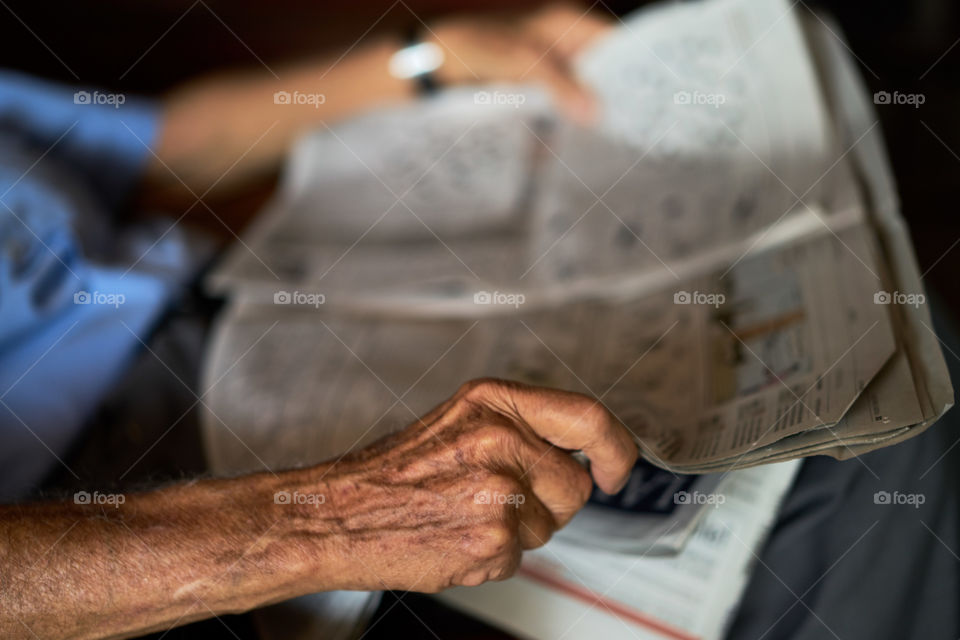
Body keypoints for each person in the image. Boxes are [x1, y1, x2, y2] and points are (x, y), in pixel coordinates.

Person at [0, 5, 639, 638]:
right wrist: (329, 523)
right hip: (104, 524)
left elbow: (158, 147)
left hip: (247, 303)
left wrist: (431, 59)